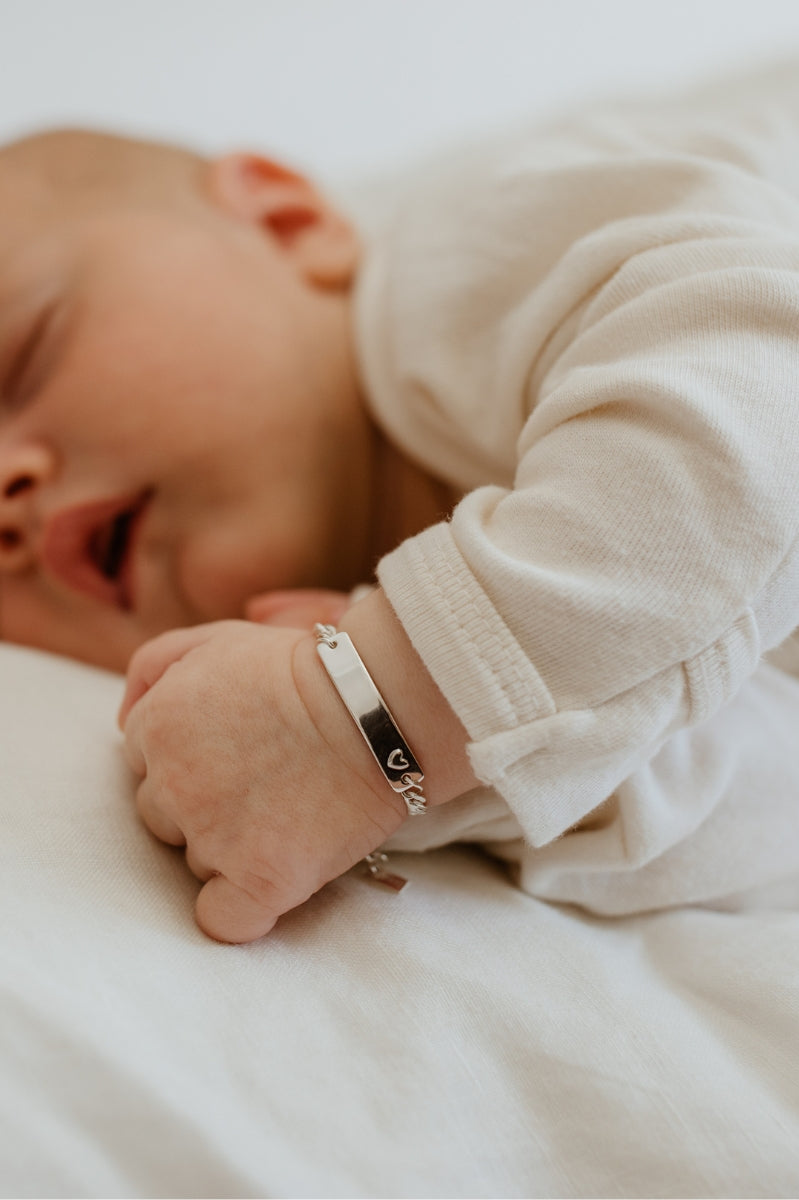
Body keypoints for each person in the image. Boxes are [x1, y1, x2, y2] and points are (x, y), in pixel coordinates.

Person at [2, 60, 799, 943]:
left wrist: (378, 698)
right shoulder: (348, 667)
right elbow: (750, 792)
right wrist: (416, 776)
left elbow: (759, 389)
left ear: (287, 220)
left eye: (22, 360)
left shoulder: (488, 255)